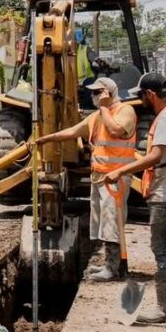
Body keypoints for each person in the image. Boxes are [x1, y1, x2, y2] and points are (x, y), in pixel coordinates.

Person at [103, 73, 166, 323]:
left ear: (151, 94)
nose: (140, 100)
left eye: (141, 95)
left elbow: (157, 155)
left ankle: (164, 310)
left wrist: (121, 170)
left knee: (162, 249)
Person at [31, 75, 138, 280]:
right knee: (101, 222)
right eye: (93, 93)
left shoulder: (125, 111)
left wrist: (105, 107)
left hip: (115, 178)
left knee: (112, 222)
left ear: (110, 93)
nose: (94, 96)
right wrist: (47, 139)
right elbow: (73, 131)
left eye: (98, 93)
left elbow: (116, 130)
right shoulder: (97, 116)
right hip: (99, 177)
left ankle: (113, 268)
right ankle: (109, 264)